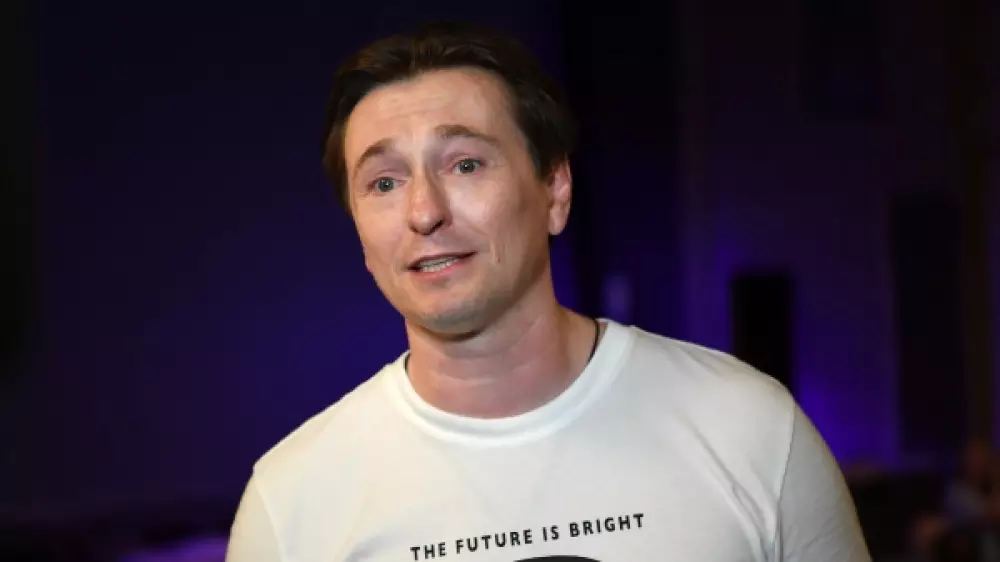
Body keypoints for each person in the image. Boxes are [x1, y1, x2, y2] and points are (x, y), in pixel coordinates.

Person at [225, 20, 870, 562]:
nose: (424, 211)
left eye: (466, 164)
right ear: (360, 231)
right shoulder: (293, 504)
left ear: (555, 190)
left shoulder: (748, 428)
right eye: (384, 183)